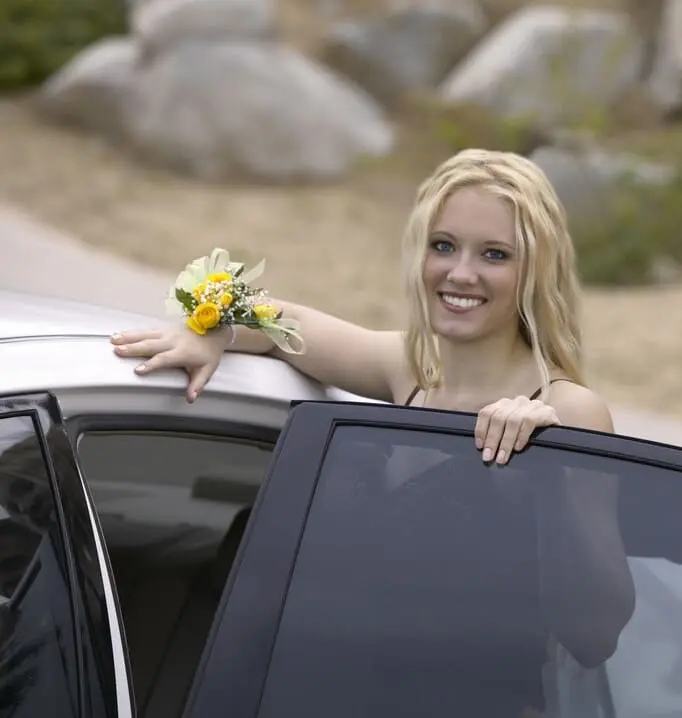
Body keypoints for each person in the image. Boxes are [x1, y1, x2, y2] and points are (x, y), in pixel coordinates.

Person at [111, 148, 636, 715]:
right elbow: (289, 322)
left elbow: (596, 634)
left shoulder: (567, 409)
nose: (460, 273)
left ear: (535, 270)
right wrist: (211, 333)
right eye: (443, 245)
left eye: (495, 254)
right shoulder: (407, 368)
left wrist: (551, 469)